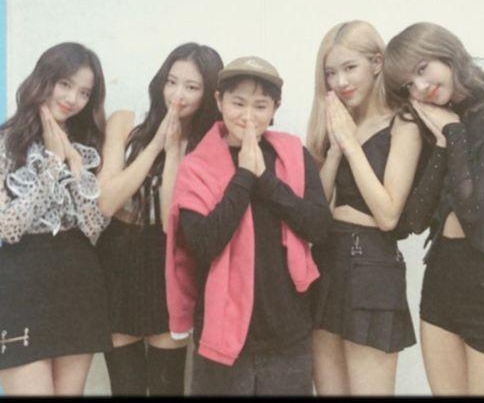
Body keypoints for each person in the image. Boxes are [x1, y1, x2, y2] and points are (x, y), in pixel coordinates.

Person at [165, 56, 332, 396]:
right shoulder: (197, 166)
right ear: (219, 102)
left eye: (260, 106)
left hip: (288, 335)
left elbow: (318, 227)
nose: (248, 116)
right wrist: (243, 176)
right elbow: (203, 245)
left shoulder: (293, 155)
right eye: (238, 103)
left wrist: (265, 179)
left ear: (275, 108)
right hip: (221, 335)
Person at [383, 22, 484, 396]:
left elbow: (476, 212)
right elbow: (413, 220)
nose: (420, 86)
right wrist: (445, 141)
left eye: (422, 68)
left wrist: (454, 133)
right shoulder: (436, 123)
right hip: (441, 288)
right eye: (409, 85)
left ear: (446, 52)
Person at [95, 42, 223, 395]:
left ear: (208, 95)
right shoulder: (125, 121)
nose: (177, 95)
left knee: (168, 384)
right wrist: (155, 146)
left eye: (191, 87)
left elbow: (171, 223)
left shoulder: (208, 144)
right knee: (126, 385)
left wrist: (175, 151)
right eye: (172, 81)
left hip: (168, 260)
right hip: (118, 255)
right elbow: (107, 202)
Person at [307, 21, 424, 396]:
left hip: (372, 263)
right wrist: (335, 149)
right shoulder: (336, 123)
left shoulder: (403, 122)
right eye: (330, 73)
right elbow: (315, 211)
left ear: (376, 62)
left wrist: (351, 144)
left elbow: (388, 215)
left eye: (349, 68)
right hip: (325, 260)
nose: (340, 81)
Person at [0, 42, 111, 395]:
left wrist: (74, 165)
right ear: (44, 79)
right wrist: (51, 162)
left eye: (84, 92)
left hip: (77, 282)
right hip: (19, 284)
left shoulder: (87, 146)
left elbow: (94, 226)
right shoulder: (6, 142)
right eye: (65, 84)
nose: (73, 99)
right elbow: (7, 227)